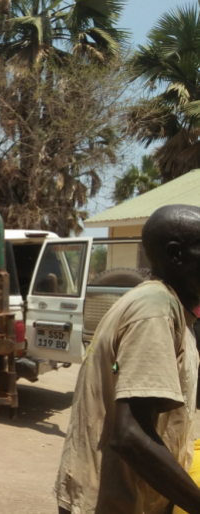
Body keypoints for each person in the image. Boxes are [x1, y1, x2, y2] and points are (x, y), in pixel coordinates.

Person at [56, 204, 200, 514]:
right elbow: (130, 434)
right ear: (176, 254)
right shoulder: (155, 308)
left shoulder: (172, 310)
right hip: (114, 503)